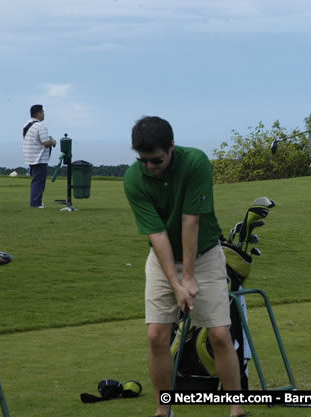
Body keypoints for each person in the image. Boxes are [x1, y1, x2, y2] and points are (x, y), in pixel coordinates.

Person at [123, 116, 247, 417]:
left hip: (204, 255)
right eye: (144, 161)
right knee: (156, 336)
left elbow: (190, 221)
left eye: (157, 160)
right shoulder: (134, 179)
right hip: (161, 261)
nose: (151, 167)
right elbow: (158, 236)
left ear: (172, 147)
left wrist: (189, 277)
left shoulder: (195, 162)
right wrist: (177, 283)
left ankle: (237, 408)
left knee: (219, 334)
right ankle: (163, 410)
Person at [22, 104, 56, 207]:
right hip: (39, 158)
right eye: (43, 112)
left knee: (35, 181)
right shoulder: (40, 126)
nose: (44, 114)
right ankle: (36, 203)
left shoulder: (26, 125)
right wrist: (53, 141)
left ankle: (36, 202)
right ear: (39, 113)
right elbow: (45, 142)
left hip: (30, 157)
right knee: (39, 182)